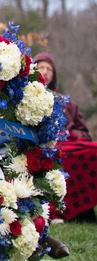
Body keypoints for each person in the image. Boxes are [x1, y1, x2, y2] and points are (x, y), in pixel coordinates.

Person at [34, 52, 97, 224]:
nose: (45, 71)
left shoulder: (67, 102)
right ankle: (59, 210)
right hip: (43, 147)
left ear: (54, 75)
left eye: (49, 69)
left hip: (71, 144)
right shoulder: (27, 100)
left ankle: (83, 209)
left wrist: (72, 135)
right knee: (62, 157)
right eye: (41, 67)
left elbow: (84, 132)